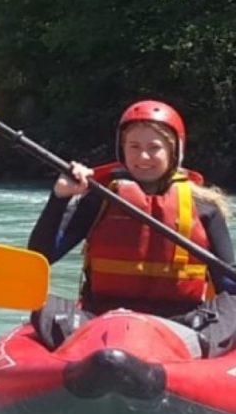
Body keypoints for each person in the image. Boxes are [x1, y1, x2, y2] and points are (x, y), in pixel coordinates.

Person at [28, 99, 236, 357]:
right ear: (122, 150)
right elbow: (39, 256)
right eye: (134, 147)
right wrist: (59, 198)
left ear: (174, 152)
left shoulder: (204, 206)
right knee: (41, 304)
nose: (143, 157)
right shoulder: (100, 199)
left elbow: (228, 284)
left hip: (181, 325)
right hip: (99, 320)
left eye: (154, 148)